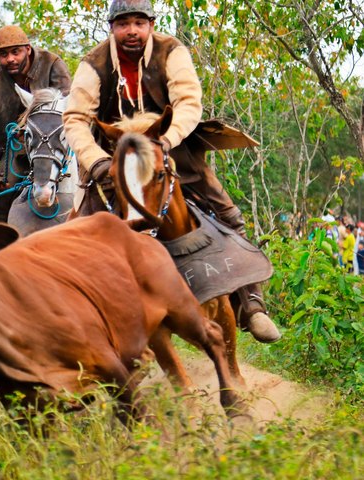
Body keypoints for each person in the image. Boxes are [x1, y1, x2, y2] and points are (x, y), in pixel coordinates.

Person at [62, 0, 281, 343]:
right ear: (111, 28)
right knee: (74, 234)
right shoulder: (93, 63)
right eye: (123, 23)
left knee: (229, 215)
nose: (131, 31)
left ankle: (251, 304)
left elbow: (189, 102)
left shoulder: (172, 51)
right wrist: (96, 160)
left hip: (171, 152)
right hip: (112, 161)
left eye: (138, 22)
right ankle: (75, 325)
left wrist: (167, 140)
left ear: (150, 23)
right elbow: (75, 118)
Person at [0, 25, 72, 223]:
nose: (10, 59)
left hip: (58, 144)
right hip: (15, 154)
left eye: (15, 52)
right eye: (3, 54)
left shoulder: (52, 64)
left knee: (97, 183)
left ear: (27, 48)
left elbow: (69, 107)